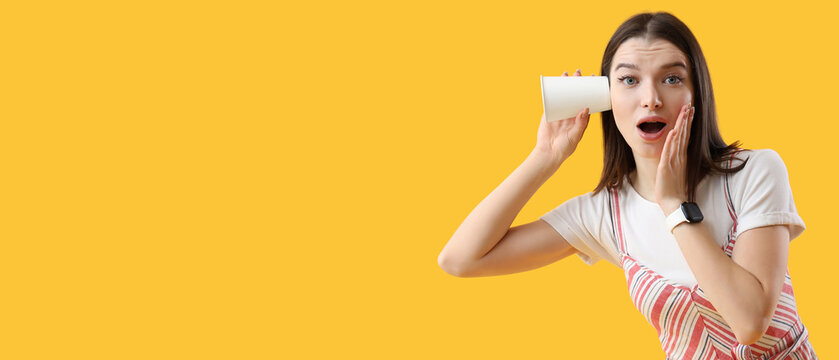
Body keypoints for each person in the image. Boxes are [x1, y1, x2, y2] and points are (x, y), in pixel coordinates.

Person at [437, 12, 817, 359]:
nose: (650, 99)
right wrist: (545, 157)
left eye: (672, 79)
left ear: (695, 93)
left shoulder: (754, 173)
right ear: (607, 99)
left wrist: (672, 204)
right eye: (629, 80)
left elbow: (749, 322)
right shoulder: (604, 213)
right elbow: (460, 259)